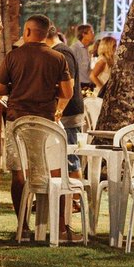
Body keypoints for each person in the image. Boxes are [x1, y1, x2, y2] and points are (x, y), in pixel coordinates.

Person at [0, 15, 74, 228]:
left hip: (17, 121)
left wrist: (16, 87)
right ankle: (58, 225)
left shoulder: (13, 56)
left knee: (19, 174)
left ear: (27, 31)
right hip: (46, 123)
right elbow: (67, 92)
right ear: (46, 33)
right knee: (53, 172)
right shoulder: (57, 58)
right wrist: (50, 90)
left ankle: (23, 225)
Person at [46, 23, 82, 170]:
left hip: (68, 114)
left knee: (70, 161)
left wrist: (59, 111)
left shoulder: (62, 52)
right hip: (63, 114)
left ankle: (76, 187)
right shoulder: (57, 52)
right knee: (62, 161)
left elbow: (69, 84)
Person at [69, 24, 94, 90]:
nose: (93, 34)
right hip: (79, 85)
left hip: (88, 84)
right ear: (84, 34)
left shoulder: (87, 48)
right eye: (91, 32)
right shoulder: (74, 48)